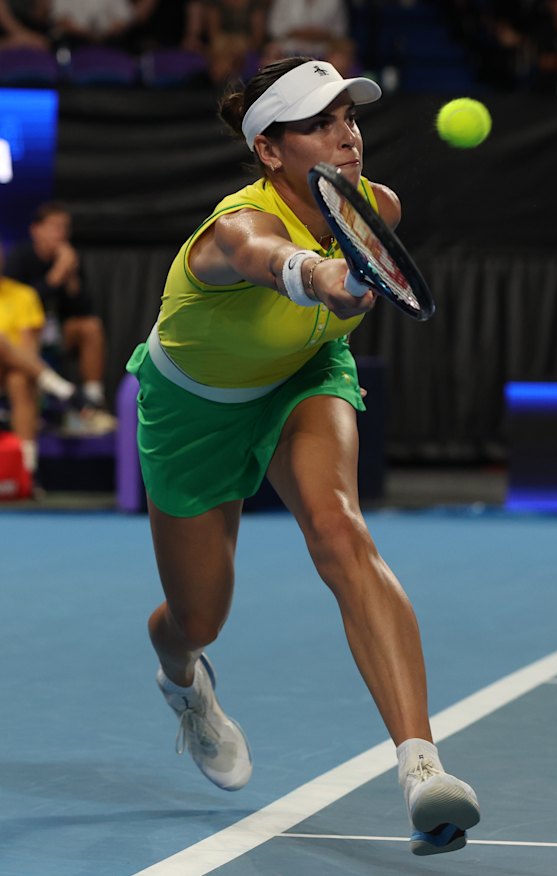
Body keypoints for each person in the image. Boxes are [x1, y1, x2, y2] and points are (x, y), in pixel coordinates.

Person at [127, 57, 480, 855]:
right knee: (196, 618)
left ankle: (422, 769)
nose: (347, 135)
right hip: (194, 411)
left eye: (349, 117)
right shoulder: (233, 229)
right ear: (269, 150)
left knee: (339, 529)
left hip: (304, 379)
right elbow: (267, 257)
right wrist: (319, 275)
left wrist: (335, 297)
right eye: (319, 124)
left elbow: (344, 281)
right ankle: (182, 679)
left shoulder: (376, 206)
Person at [5, 203, 116, 434]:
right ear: (36, 230)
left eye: (65, 227)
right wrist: (56, 276)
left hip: (55, 332)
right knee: (19, 371)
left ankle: (92, 401)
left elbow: (83, 309)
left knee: (91, 327)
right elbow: (19, 302)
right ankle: (63, 393)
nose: (61, 233)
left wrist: (70, 276)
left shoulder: (69, 260)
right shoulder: (20, 257)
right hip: (21, 336)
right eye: (55, 227)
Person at [0, 240, 100, 481]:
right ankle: (62, 388)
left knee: (19, 379)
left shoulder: (24, 295)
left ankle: (26, 473)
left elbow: (28, 348)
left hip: (14, 369)